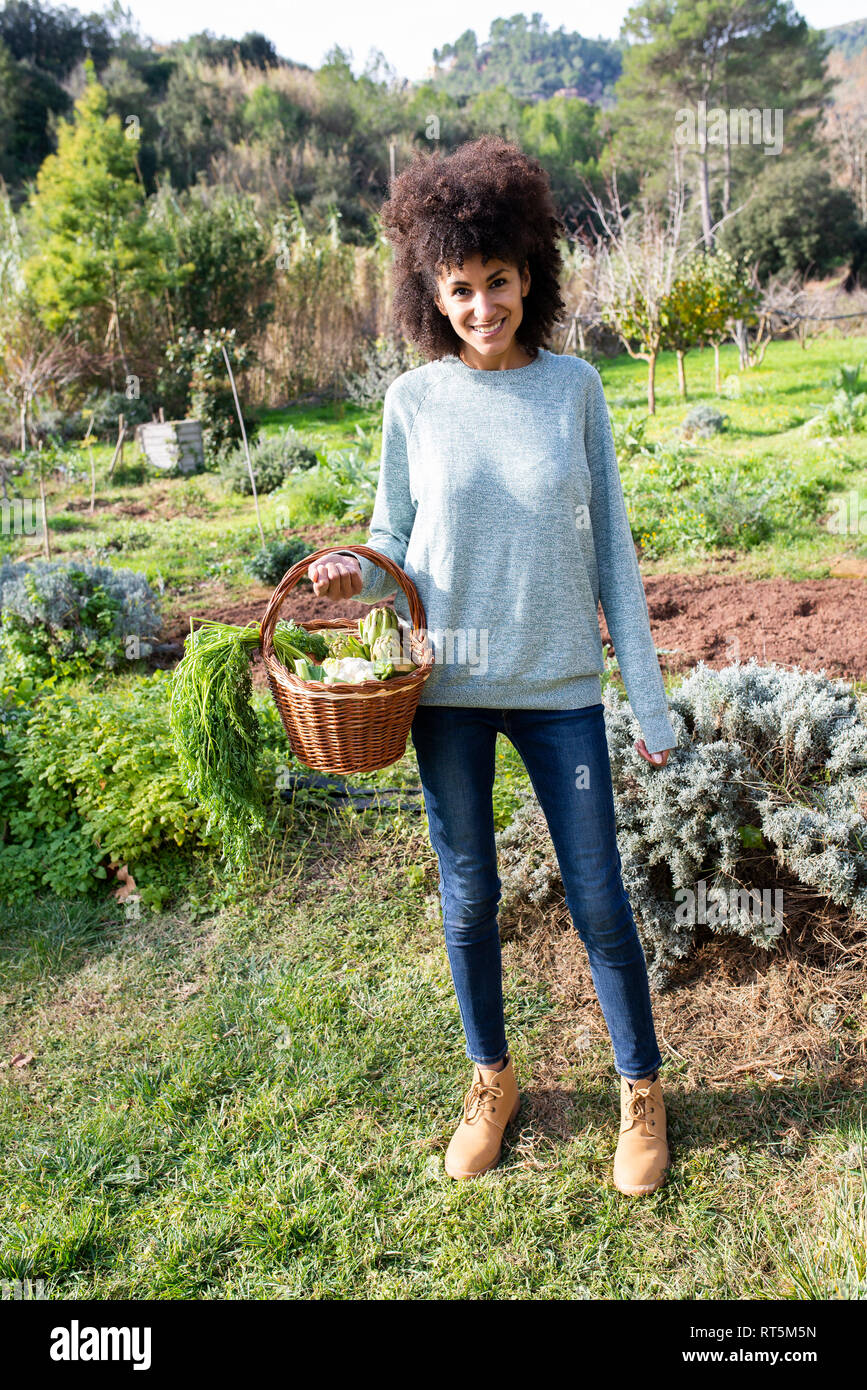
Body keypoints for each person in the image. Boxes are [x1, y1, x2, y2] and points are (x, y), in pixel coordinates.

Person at [308, 136, 677, 1197]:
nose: (482, 306)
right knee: (467, 903)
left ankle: (640, 1092)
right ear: (431, 293)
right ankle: (492, 1082)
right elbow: (392, 539)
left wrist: (645, 703)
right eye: (459, 289)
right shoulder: (413, 402)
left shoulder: (576, 392)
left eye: (499, 282)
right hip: (450, 694)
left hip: (560, 690)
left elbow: (614, 550)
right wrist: (352, 572)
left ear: (531, 275)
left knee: (601, 900)